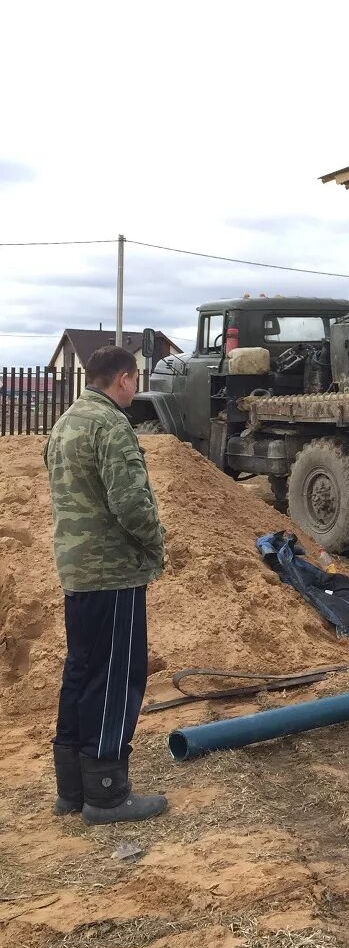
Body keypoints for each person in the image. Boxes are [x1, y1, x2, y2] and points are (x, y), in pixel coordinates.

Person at [45, 345, 168, 825]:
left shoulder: (66, 422)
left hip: (76, 569)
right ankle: (108, 794)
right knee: (117, 677)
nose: (135, 388)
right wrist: (156, 544)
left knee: (80, 672)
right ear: (122, 379)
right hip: (113, 571)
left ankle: (72, 790)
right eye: (134, 380)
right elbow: (131, 504)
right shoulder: (111, 426)